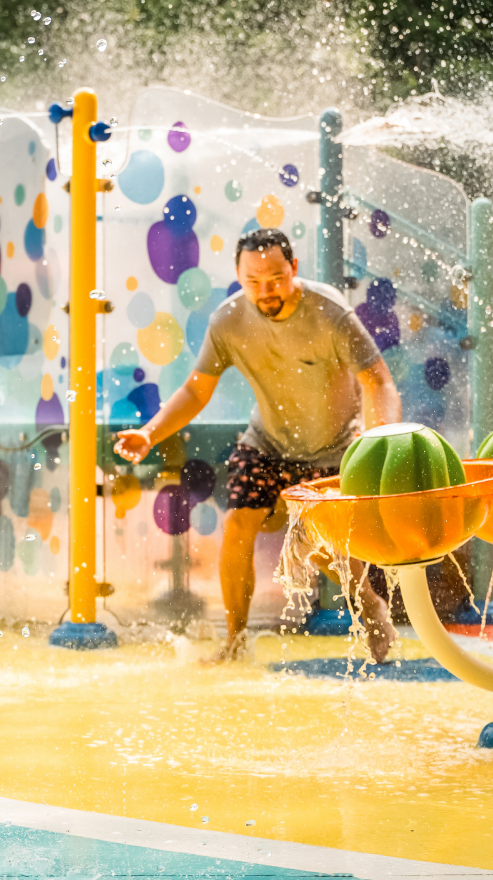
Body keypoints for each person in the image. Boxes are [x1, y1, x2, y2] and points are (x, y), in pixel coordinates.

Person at [114, 228, 402, 662]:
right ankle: (234, 642)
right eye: (252, 282)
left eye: (275, 279)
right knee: (238, 525)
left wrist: (378, 442)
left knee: (322, 547)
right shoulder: (229, 322)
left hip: (332, 447)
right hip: (265, 442)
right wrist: (150, 432)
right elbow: (195, 392)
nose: (265, 291)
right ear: (237, 275)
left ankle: (369, 604)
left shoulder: (329, 314)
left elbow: (378, 381)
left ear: (294, 269)